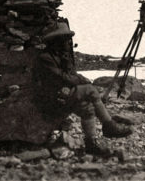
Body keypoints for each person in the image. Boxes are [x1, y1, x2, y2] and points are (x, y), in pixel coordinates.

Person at [33, 21, 133, 156]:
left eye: (67, 38)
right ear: (54, 40)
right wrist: (80, 80)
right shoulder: (45, 58)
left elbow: (69, 76)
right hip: (48, 98)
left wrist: (74, 75)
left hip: (62, 94)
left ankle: (91, 143)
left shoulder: (60, 55)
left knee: (87, 107)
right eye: (63, 39)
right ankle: (109, 126)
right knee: (90, 90)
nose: (67, 42)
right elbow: (61, 77)